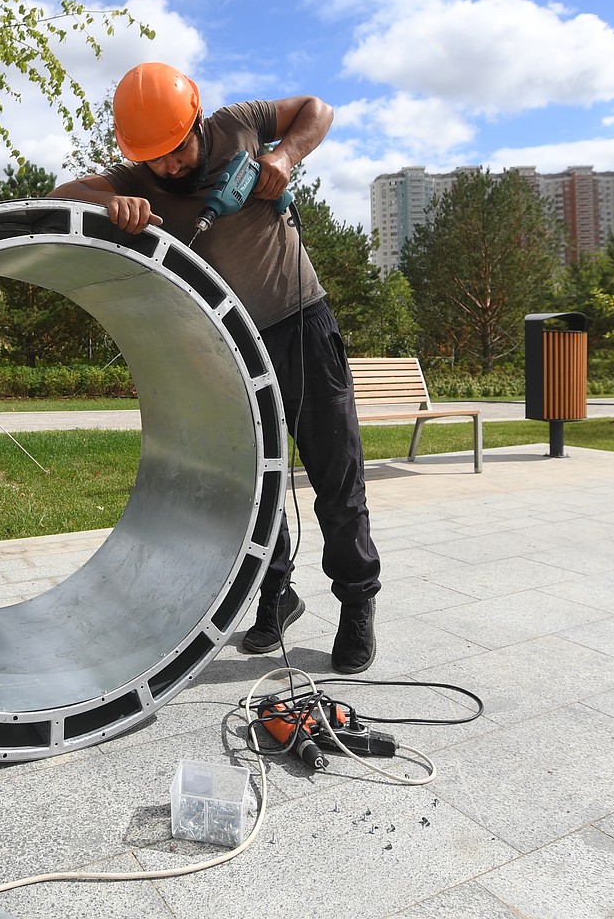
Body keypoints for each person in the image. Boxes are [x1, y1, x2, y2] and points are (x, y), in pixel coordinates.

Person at [49, 62, 380, 673]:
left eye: (177, 150)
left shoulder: (239, 125)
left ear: (196, 121)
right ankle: (275, 596)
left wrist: (284, 157)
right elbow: (60, 196)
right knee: (256, 486)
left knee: (336, 477)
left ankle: (358, 603)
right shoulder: (138, 177)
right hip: (229, 347)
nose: (171, 168)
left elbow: (317, 106)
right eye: (155, 160)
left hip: (301, 323)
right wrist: (112, 199)